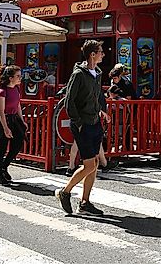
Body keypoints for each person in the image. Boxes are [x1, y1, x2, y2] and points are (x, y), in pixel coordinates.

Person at [56, 40, 111, 216]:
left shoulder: (98, 73)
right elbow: (69, 100)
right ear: (92, 54)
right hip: (83, 124)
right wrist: (78, 122)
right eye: (101, 51)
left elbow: (96, 97)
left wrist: (102, 111)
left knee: (94, 164)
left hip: (94, 122)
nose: (103, 54)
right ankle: (65, 192)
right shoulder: (78, 74)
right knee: (89, 165)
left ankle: (85, 202)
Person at [0, 65, 27, 186]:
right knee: (1, 148)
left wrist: (22, 121)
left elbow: (18, 106)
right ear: (10, 78)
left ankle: (4, 167)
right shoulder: (2, 92)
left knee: (17, 144)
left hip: (14, 119)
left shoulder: (16, 89)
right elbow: (1, 112)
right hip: (3, 120)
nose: (20, 78)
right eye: (18, 76)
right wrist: (5, 128)